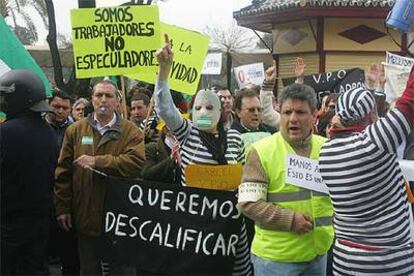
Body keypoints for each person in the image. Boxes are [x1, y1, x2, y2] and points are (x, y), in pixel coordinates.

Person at [155, 34, 252, 275]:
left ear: (221, 111)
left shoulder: (235, 139)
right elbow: (164, 108)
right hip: (196, 225)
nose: (203, 111)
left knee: (236, 270)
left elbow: (242, 179)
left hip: (230, 225)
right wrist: (164, 70)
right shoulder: (187, 133)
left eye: (210, 107)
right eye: (198, 107)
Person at [319, 70, 414, 275]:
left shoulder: (327, 150)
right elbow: (409, 104)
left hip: (346, 261)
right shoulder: (372, 143)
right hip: (386, 263)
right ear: (371, 115)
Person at [238, 83, 334, 276]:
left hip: (318, 255)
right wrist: (289, 220)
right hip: (276, 261)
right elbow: (247, 203)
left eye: (300, 112)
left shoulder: (328, 149)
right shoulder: (261, 151)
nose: (293, 119)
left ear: (315, 114)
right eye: (287, 112)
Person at [54, 80, 145, 275]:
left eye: (109, 95)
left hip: (118, 219)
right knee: (89, 269)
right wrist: (62, 207)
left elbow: (135, 164)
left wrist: (98, 161)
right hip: (85, 217)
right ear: (91, 99)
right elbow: (63, 173)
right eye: (99, 95)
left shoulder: (131, 132)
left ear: (118, 101)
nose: (103, 99)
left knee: (118, 270)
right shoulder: (75, 131)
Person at [0, 69, 59, 275]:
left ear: (18, 97)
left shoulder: (6, 133)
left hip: (8, 225)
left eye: (5, 96)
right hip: (39, 223)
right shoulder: (48, 132)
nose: (2, 101)